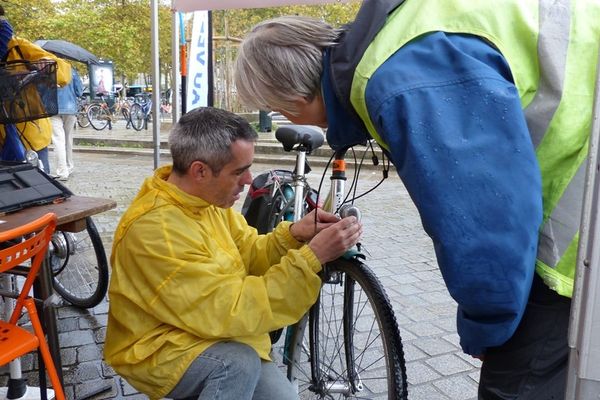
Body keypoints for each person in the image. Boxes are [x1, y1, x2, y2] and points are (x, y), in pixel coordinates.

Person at [233, 1, 600, 399]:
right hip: (578, 176)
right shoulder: (395, 35)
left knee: (517, 381)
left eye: (280, 109)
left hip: (577, 220)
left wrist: (488, 328)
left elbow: (485, 225)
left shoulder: (401, 82)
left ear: (290, 99)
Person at [104, 106, 362, 400]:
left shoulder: (205, 201)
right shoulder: (156, 230)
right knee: (237, 364)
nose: (250, 180)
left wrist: (293, 235)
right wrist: (311, 257)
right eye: (239, 171)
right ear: (199, 171)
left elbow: (249, 253)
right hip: (157, 345)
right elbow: (231, 308)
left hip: (206, 328)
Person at [0, 6, 71, 173]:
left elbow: (63, 72)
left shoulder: (18, 47)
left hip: (30, 137)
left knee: (38, 187)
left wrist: (47, 64)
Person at [50, 66, 83, 181]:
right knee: (68, 139)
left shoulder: (48, 69)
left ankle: (62, 171)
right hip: (70, 109)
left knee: (58, 140)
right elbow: (79, 91)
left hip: (53, 108)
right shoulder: (71, 70)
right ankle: (69, 167)